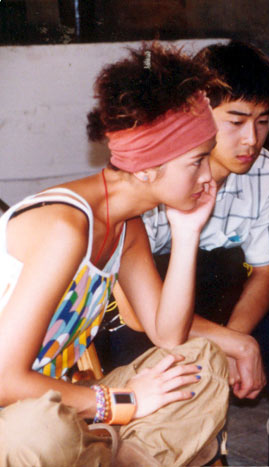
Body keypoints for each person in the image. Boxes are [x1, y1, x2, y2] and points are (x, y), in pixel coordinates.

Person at [0, 43, 231, 466]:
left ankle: (107, 453)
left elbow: (168, 335)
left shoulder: (127, 226)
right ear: (148, 166)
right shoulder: (65, 228)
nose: (208, 176)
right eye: (198, 161)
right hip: (18, 414)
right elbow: (4, 380)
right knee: (40, 431)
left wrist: (186, 233)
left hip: (61, 401)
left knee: (203, 362)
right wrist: (123, 402)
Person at [97, 40, 269, 465]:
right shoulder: (157, 171)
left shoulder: (264, 170)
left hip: (217, 306)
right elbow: (136, 308)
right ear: (198, 115)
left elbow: (265, 272)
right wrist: (231, 345)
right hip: (146, 315)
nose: (251, 139)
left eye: (262, 121)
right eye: (235, 121)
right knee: (172, 372)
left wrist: (236, 341)